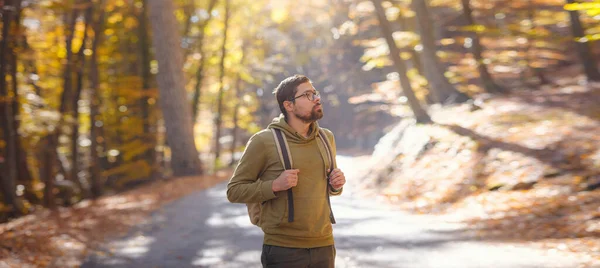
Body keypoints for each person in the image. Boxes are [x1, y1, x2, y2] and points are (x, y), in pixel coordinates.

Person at [226, 74, 346, 268]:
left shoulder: (326, 138)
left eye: (315, 93)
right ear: (288, 105)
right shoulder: (263, 141)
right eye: (307, 95)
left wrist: (336, 184)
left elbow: (329, 188)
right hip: (283, 249)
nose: (316, 98)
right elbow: (234, 191)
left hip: (324, 244)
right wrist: (274, 185)